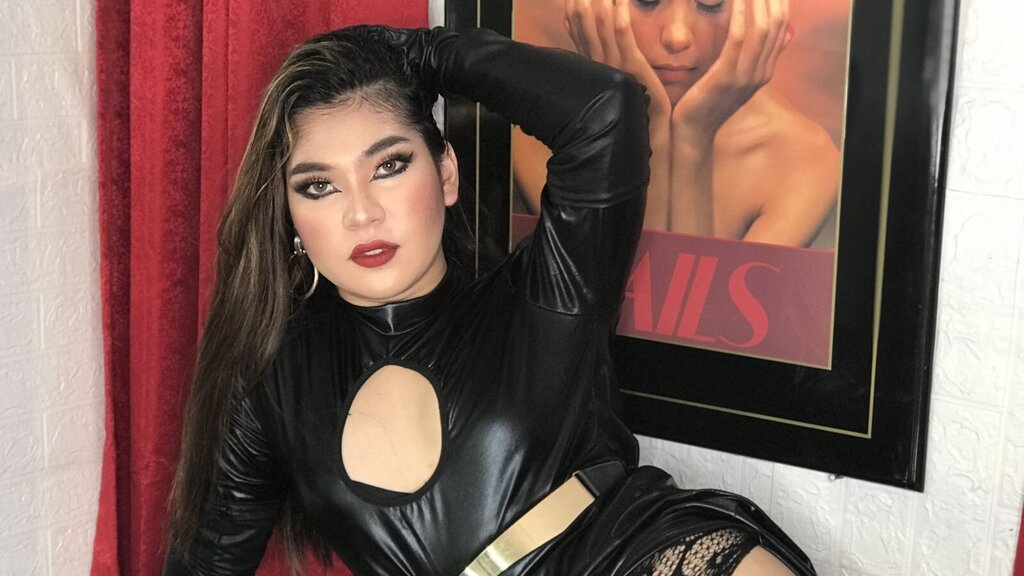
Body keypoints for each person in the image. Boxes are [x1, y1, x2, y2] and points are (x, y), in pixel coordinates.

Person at [163, 23, 816, 575]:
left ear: (445, 174)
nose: (362, 213)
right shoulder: (273, 377)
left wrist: (419, 53)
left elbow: (605, 111)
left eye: (389, 166)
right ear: (289, 217)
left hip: (631, 556)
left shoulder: (546, 294)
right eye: (319, 186)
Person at [512, 0, 841, 247]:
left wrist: (692, 139)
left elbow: (696, 312)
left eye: (710, 3)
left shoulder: (804, 157)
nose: (677, 36)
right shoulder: (536, 133)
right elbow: (607, 297)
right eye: (647, 0)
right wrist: (646, 123)